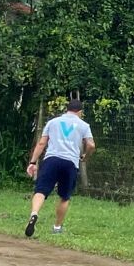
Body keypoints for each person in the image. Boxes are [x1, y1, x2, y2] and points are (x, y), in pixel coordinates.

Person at [24, 96, 94, 237]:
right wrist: (85, 156)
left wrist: (32, 162)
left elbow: (42, 143)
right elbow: (91, 145)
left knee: (41, 191)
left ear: (66, 110)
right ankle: (57, 227)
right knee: (64, 196)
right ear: (80, 112)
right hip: (70, 163)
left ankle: (34, 214)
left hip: (52, 159)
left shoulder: (53, 122)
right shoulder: (83, 125)